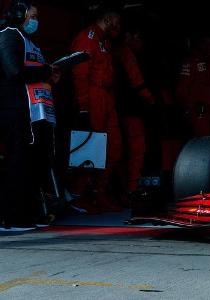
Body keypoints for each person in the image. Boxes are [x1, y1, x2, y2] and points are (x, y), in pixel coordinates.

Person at [0, 0, 59, 228]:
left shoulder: (28, 40)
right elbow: (13, 71)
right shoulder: (8, 35)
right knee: (18, 163)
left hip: (34, 111)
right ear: (19, 15)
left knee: (33, 163)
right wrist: (45, 71)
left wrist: (50, 74)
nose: (36, 21)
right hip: (14, 110)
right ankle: (13, 217)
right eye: (32, 16)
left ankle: (31, 212)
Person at [70, 6, 123, 213]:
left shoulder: (105, 41)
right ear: (108, 18)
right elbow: (79, 74)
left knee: (114, 148)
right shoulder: (87, 38)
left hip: (107, 98)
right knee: (92, 148)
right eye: (117, 21)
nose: (119, 27)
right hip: (93, 97)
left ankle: (98, 193)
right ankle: (77, 194)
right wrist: (83, 107)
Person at [113, 29, 154, 202]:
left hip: (117, 108)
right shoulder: (126, 53)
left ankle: (122, 190)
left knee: (119, 151)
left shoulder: (114, 50)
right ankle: (131, 189)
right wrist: (151, 100)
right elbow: (136, 80)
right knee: (135, 149)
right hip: (130, 109)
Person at [176, 36, 210, 137]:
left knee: (207, 139)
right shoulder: (190, 61)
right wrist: (190, 107)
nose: (209, 47)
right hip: (197, 110)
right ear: (199, 44)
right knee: (202, 140)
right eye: (206, 43)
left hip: (209, 110)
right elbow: (182, 89)